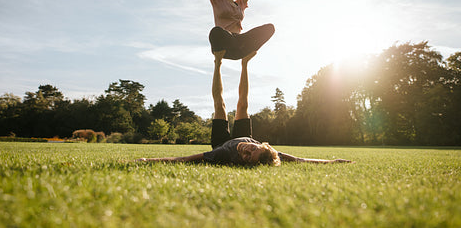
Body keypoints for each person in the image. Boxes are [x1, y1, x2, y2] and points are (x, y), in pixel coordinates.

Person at [137, 51, 353, 166]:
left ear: (245, 162)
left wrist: (147, 160)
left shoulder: (224, 154)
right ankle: (245, 64)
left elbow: (184, 160)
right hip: (242, 135)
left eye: (249, 156)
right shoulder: (259, 147)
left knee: (220, 105)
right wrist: (333, 161)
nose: (248, 150)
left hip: (222, 142)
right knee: (243, 104)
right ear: (262, 145)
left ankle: (217, 63)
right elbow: (300, 160)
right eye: (254, 149)